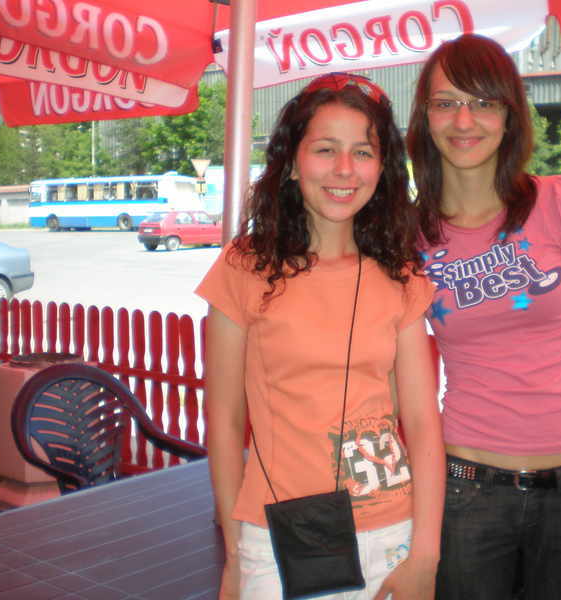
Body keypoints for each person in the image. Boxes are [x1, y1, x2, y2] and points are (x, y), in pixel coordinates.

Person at [406, 34, 561, 599]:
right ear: (425, 117)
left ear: (509, 114)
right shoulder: (409, 235)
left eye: (483, 102)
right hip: (469, 493)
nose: (464, 120)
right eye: (446, 103)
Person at [197, 72, 444, 600]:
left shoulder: (401, 276)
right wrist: (235, 553)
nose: (344, 169)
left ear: (383, 167)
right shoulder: (245, 267)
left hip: (393, 533)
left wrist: (426, 555)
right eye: (325, 149)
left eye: (363, 152)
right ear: (291, 161)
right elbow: (224, 418)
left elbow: (423, 423)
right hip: (280, 535)